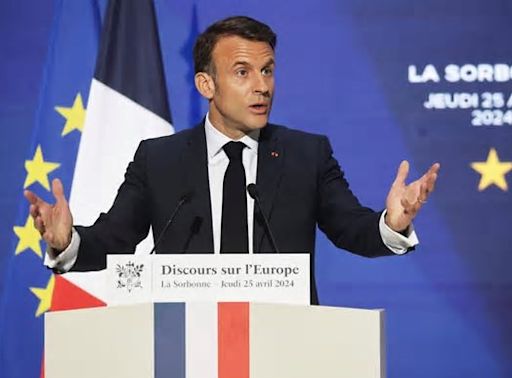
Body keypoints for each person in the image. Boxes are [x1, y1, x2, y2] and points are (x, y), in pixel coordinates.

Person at [24, 16, 439, 304]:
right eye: (243, 72)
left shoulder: (306, 155)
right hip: (186, 350)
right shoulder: (160, 160)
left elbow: (352, 230)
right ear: (206, 83)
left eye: (268, 70)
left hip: (286, 347)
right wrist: (67, 242)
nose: (262, 86)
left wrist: (392, 223)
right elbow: (115, 239)